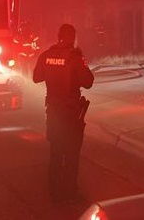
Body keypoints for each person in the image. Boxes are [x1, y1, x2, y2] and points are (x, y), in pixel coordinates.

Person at [33, 24, 94, 202]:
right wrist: (82, 60)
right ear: (72, 38)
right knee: (72, 154)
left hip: (53, 112)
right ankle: (69, 193)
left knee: (56, 153)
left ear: (58, 36)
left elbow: (36, 77)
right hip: (71, 114)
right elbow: (88, 82)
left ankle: (54, 192)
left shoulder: (46, 55)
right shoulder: (75, 57)